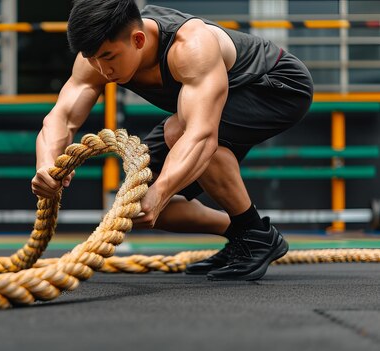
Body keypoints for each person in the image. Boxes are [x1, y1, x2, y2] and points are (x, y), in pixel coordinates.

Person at [31, 0, 313, 281]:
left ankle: (253, 234)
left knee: (181, 134)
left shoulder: (190, 46)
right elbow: (62, 118)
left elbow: (201, 135)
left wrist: (163, 191)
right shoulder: (96, 56)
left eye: (108, 57)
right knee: (138, 198)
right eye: (93, 59)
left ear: (138, 39)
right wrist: (46, 166)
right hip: (211, 108)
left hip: (279, 87)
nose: (102, 70)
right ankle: (246, 233)